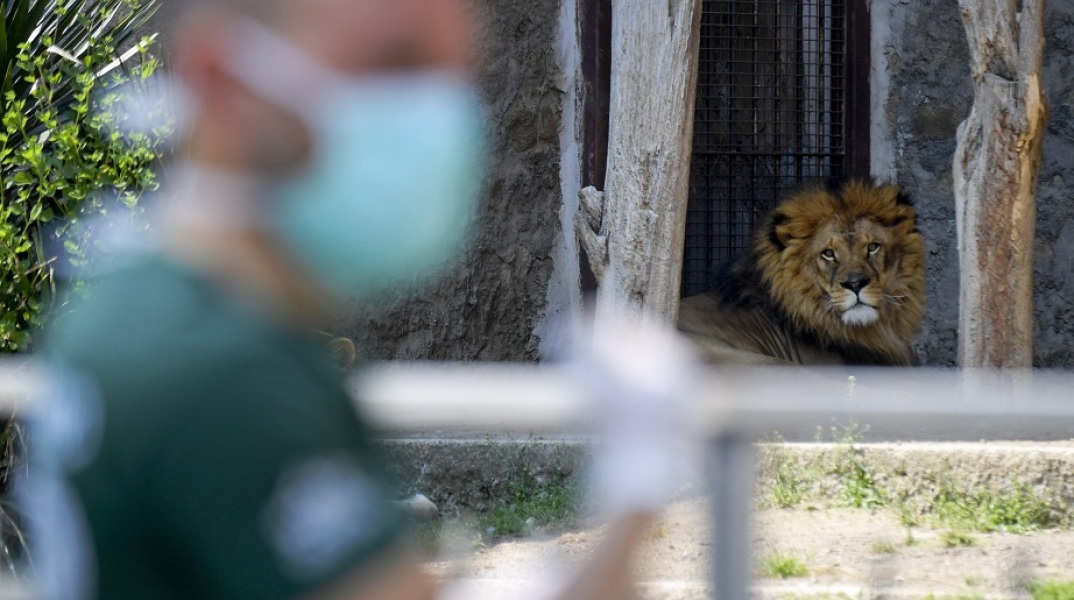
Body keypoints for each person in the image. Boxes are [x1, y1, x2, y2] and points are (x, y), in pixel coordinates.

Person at [25, 1, 700, 599]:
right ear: (220, 75)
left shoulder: (132, 307)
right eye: (394, 63)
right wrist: (635, 483)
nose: (437, 121)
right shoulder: (227, 377)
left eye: (453, 77)